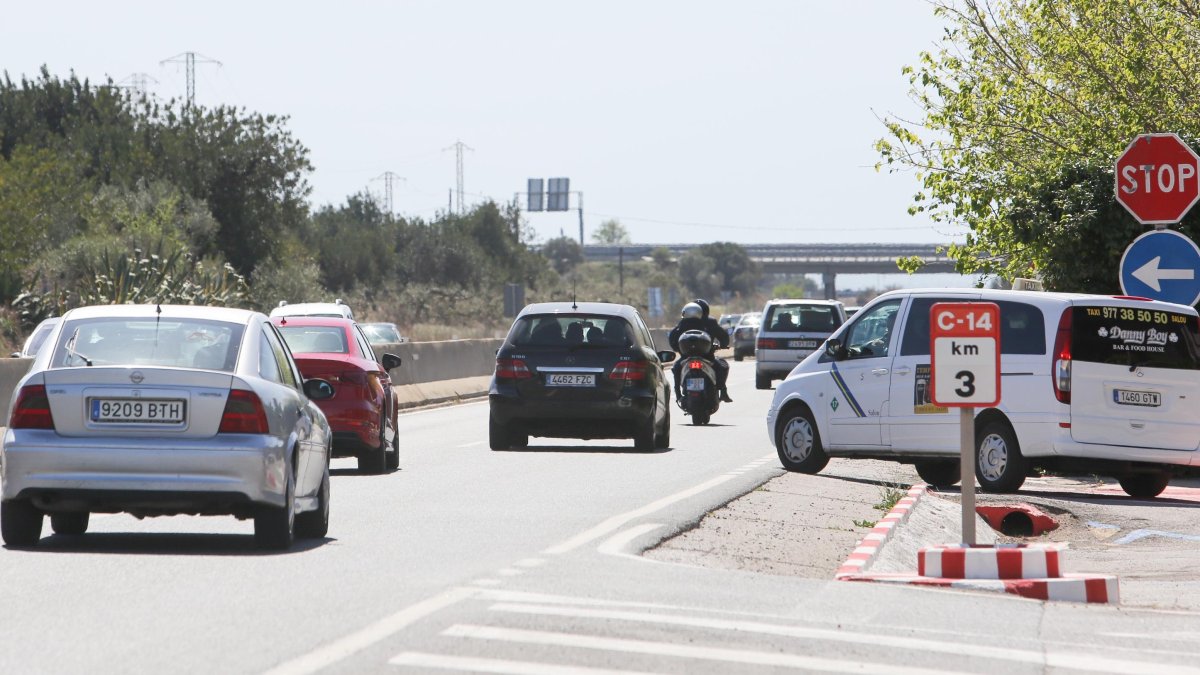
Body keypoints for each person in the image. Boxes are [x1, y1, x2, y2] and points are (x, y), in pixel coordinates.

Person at [668, 299, 732, 403]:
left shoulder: (683, 323)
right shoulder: (709, 322)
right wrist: (723, 345)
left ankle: (678, 393)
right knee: (721, 366)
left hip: (686, 356)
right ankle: (723, 392)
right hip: (707, 356)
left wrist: (677, 348)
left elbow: (672, 339)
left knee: (676, 368)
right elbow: (723, 336)